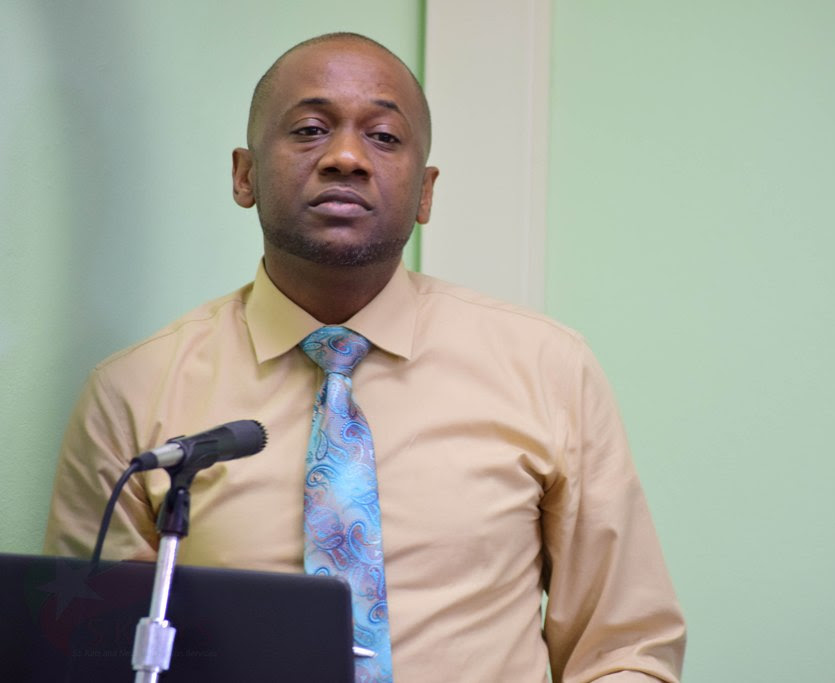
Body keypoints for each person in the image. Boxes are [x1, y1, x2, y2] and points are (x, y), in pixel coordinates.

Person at [43, 33, 685, 682]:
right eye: (310, 130)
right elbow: (85, 656)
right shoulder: (135, 393)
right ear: (244, 175)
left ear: (425, 193)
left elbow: (624, 648)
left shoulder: (548, 369)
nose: (346, 157)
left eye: (382, 136)